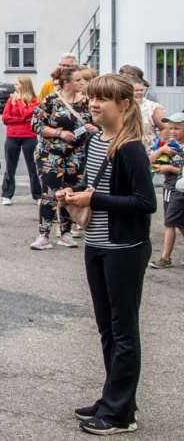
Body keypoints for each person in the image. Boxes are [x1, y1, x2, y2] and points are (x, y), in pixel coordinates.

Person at [60, 74, 156, 435]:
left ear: (124, 105)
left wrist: (94, 198)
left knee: (123, 330)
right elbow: (99, 188)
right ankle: (114, 398)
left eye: (102, 99)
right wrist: (76, 194)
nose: (94, 104)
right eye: (92, 98)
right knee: (107, 328)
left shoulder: (130, 147)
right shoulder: (97, 140)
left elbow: (145, 203)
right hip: (97, 244)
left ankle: (121, 415)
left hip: (125, 249)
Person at [32, 66, 95, 250]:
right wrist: (59, 133)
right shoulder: (51, 100)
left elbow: (97, 122)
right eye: (78, 80)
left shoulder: (86, 102)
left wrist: (93, 128)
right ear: (67, 83)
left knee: (70, 192)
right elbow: (36, 125)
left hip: (76, 155)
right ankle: (44, 235)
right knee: (50, 192)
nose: (82, 83)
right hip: (51, 153)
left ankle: (65, 233)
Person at [148, 113, 184, 269]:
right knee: (179, 223)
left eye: (177, 128)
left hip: (178, 189)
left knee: (169, 223)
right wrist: (162, 149)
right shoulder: (169, 145)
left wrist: (170, 168)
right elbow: (151, 159)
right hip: (170, 188)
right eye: (171, 128)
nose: (173, 132)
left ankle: (166, 258)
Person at [0, 76, 41, 207]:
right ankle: (6, 195)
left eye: (17, 84)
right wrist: (23, 120)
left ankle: (38, 195)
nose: (15, 87)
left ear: (24, 85)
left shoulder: (34, 100)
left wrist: (19, 102)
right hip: (12, 135)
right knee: (10, 166)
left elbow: (27, 114)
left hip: (29, 136)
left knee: (33, 166)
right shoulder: (10, 100)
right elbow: (5, 118)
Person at [129, 76, 166, 151]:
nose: (139, 93)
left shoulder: (153, 107)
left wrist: (157, 149)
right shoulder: (120, 106)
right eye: (136, 90)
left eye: (141, 90)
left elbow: (165, 128)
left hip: (148, 151)